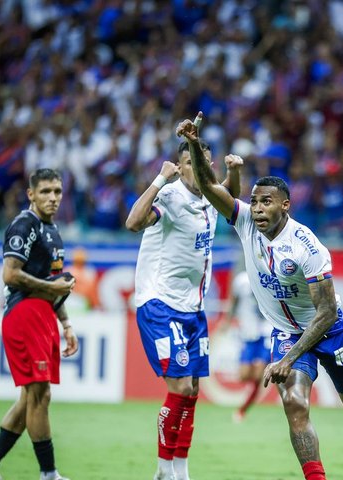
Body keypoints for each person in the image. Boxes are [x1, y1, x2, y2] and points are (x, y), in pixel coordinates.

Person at [178, 112, 343, 480]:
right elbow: (212, 189)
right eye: (255, 202)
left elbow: (324, 313)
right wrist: (195, 144)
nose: (257, 209)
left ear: (285, 206)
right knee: (294, 403)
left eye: (267, 203)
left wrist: (287, 358)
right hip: (287, 332)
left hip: (330, 330)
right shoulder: (245, 221)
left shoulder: (308, 246)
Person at [124, 140, 242, 480]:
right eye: (189, 163)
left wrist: (235, 172)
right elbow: (133, 222)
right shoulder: (171, 195)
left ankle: (180, 470)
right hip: (160, 304)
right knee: (177, 389)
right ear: (180, 165)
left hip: (194, 308)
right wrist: (159, 180)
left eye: (204, 163)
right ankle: (163, 471)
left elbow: (230, 202)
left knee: (191, 391)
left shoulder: (209, 195)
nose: (196, 170)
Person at [0, 168, 78, 480]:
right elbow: (11, 274)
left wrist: (67, 324)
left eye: (57, 191)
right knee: (40, 395)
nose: (53, 198)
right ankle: (49, 474)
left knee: (31, 397)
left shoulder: (54, 232)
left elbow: (54, 284)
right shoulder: (24, 224)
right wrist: (52, 288)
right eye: (45, 191)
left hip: (44, 315)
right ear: (30, 194)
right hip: (24, 313)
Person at [221, 269, 272, 422]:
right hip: (248, 332)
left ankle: (243, 409)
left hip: (266, 331)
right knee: (244, 375)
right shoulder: (241, 280)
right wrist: (227, 321)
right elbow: (234, 302)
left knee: (259, 375)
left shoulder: (270, 277)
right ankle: (247, 401)